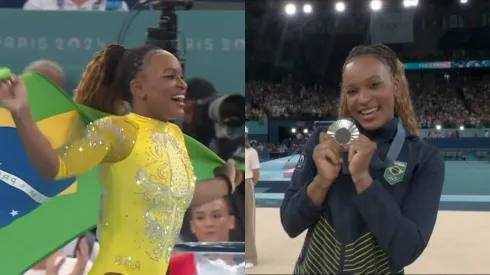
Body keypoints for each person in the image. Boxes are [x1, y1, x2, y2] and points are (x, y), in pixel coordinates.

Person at [0, 44, 241, 275]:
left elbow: (181, 195)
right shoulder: (116, 132)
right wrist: (21, 111)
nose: (182, 85)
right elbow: (55, 167)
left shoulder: (174, 135)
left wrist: (231, 179)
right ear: (138, 89)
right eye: (170, 76)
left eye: (181, 76)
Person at [280, 44, 445, 274]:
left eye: (374, 85)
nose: (363, 99)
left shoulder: (424, 158)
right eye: (352, 91)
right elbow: (290, 223)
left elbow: (407, 250)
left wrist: (363, 179)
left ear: (395, 86)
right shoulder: (323, 142)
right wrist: (321, 182)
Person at [169, 197, 244, 275]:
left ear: (231, 221)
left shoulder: (244, 265)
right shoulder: (174, 266)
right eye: (200, 218)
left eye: (216, 216)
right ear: (192, 226)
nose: (209, 223)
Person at [244, 126, 259, 269]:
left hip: (247, 183)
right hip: (233, 184)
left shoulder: (251, 152)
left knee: (248, 221)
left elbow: (256, 174)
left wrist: (249, 186)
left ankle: (250, 256)